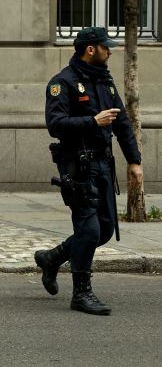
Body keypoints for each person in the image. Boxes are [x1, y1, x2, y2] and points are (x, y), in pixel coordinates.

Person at [38, 26, 143, 316]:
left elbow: (121, 124)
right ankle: (81, 293)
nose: (110, 51)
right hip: (78, 164)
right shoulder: (62, 83)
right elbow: (55, 124)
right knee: (89, 227)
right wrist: (92, 122)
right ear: (90, 49)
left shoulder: (105, 82)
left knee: (105, 230)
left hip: (103, 164)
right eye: (105, 46)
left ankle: (52, 258)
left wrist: (134, 161)